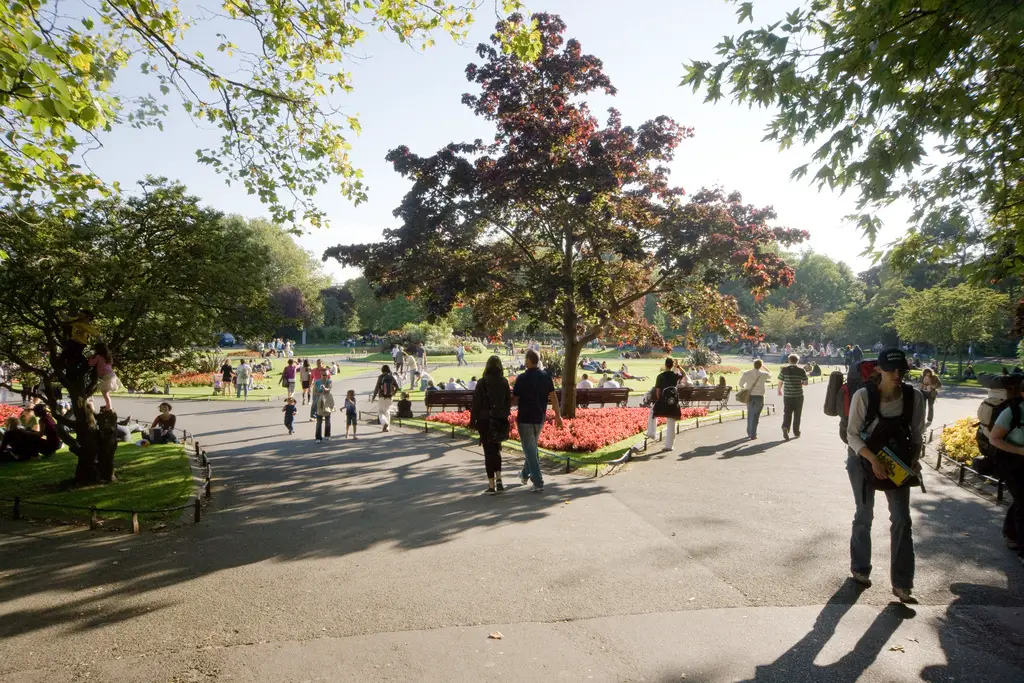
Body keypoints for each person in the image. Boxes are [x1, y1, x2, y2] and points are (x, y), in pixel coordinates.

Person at [846, 349, 924, 604]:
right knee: (864, 513)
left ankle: (902, 583)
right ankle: (860, 568)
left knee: (902, 518)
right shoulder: (863, 396)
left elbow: (916, 433)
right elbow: (853, 434)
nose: (898, 375)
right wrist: (873, 459)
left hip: (898, 461)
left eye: (902, 370)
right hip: (863, 459)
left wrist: (912, 462)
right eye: (892, 370)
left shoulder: (914, 397)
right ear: (879, 370)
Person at [512, 349, 564, 492]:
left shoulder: (522, 378)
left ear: (528, 360)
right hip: (539, 417)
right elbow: (553, 397)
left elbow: (514, 400)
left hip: (525, 418)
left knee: (530, 450)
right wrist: (558, 416)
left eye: (525, 358)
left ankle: (538, 482)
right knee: (532, 449)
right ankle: (523, 474)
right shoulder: (546, 376)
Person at [988, 379, 1024, 565]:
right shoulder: (1012, 412)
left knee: (1020, 500)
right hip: (1012, 463)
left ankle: (1011, 533)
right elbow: (994, 439)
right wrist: (1019, 451)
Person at [471, 355, 512, 494]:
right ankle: (499, 478)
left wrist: (473, 421)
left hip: (485, 420)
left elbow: (476, 404)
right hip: (499, 419)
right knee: (497, 450)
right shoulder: (504, 381)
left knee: (488, 452)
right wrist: (504, 414)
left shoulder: (482, 382)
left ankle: (491, 484)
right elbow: (508, 401)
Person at [648, 357, 682, 451]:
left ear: (665, 364)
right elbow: (684, 374)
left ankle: (651, 433)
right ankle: (669, 446)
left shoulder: (660, 376)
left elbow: (658, 391)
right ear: (672, 365)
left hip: (663, 401)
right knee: (671, 423)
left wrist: (659, 401)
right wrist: (678, 366)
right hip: (673, 402)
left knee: (652, 413)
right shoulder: (675, 375)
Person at [778, 354, 809, 441]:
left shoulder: (784, 369)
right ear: (797, 361)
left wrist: (779, 390)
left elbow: (780, 381)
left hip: (788, 396)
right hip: (798, 395)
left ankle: (785, 427)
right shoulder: (801, 370)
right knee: (797, 414)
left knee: (787, 413)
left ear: (789, 360)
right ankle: (796, 431)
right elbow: (806, 383)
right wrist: (800, 383)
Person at [738, 359, 770, 440]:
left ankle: (749, 431)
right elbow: (770, 374)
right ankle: (753, 433)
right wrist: (764, 367)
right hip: (759, 396)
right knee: (756, 415)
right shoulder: (764, 374)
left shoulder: (746, 373)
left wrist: (746, 387)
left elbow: (740, 384)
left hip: (750, 396)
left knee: (750, 414)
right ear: (760, 366)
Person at [88, 342, 120, 411]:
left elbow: (91, 364)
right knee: (106, 393)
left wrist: (90, 357)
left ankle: (109, 407)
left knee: (105, 393)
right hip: (111, 375)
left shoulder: (98, 357)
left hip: (107, 376)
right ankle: (108, 406)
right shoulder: (107, 357)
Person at [370, 365, 399, 433]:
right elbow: (397, 387)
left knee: (380, 411)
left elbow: (377, 388)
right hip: (389, 397)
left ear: (382, 370)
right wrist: (393, 393)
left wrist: (373, 397)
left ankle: (384, 423)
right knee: (387, 411)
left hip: (381, 396)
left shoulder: (381, 377)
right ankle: (388, 427)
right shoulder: (391, 377)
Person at [314, 370, 334, 442]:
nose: (324, 376)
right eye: (323, 375)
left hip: (327, 402)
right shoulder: (317, 382)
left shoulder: (329, 381)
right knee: (319, 421)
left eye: (326, 375)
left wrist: (325, 389)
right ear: (321, 374)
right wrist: (320, 393)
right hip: (319, 402)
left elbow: (329, 389)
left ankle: (327, 435)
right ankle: (318, 438)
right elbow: (315, 391)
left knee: (327, 420)